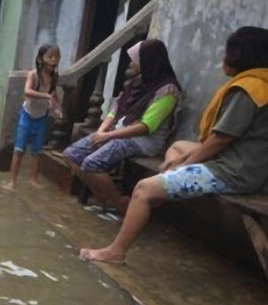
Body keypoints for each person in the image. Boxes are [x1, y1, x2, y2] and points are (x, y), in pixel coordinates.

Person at [81, 27, 268, 263]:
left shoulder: (250, 89)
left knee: (143, 189)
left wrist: (184, 166)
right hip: (245, 162)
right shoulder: (261, 84)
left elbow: (221, 139)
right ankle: (166, 182)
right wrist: (180, 161)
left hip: (233, 172)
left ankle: (116, 251)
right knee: (179, 147)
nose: (224, 57)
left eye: (228, 52)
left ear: (241, 56)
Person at [63, 39, 182, 218]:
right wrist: (102, 131)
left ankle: (120, 204)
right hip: (117, 132)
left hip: (142, 140)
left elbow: (145, 127)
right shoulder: (137, 83)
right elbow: (115, 109)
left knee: (91, 163)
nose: (132, 64)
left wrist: (108, 137)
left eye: (136, 59)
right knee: (71, 154)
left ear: (148, 61)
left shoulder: (168, 90)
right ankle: (103, 196)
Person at [6, 45, 63, 190]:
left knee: (37, 151)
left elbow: (54, 94)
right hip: (27, 115)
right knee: (19, 150)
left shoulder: (54, 77)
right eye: (50, 57)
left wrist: (58, 108)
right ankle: (12, 181)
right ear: (41, 58)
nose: (54, 60)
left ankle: (33, 179)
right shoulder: (34, 75)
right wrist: (46, 96)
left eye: (56, 57)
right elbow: (27, 91)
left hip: (42, 117)